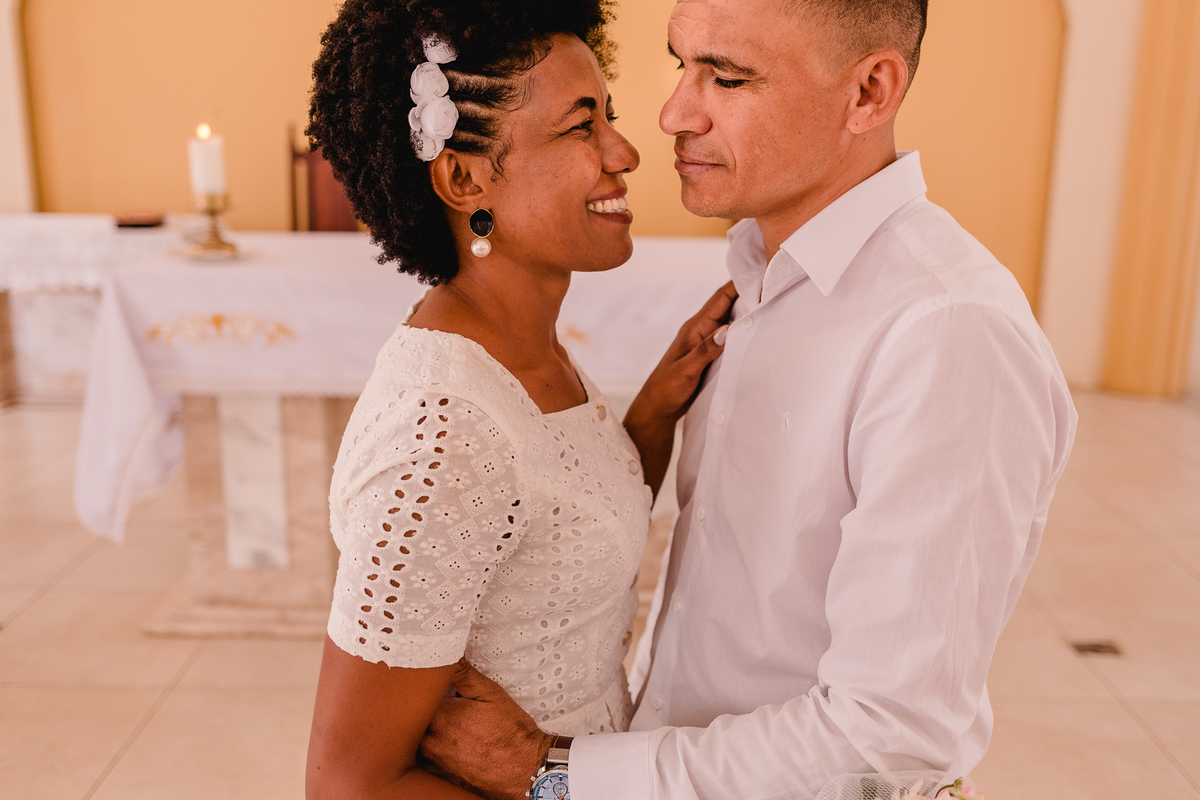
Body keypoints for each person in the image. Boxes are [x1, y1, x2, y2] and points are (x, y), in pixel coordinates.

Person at [416, 0, 1078, 799]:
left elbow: (888, 735)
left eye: (727, 77)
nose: (672, 115)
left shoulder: (944, 332)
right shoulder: (762, 284)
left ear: (868, 92)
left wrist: (552, 776)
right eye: (681, 64)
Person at [303, 1, 735, 798]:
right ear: (465, 177)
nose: (626, 151)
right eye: (581, 128)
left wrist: (649, 417)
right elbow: (349, 788)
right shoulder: (443, 433)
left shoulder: (523, 347)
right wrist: (549, 784)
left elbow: (548, 535)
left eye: (610, 116)